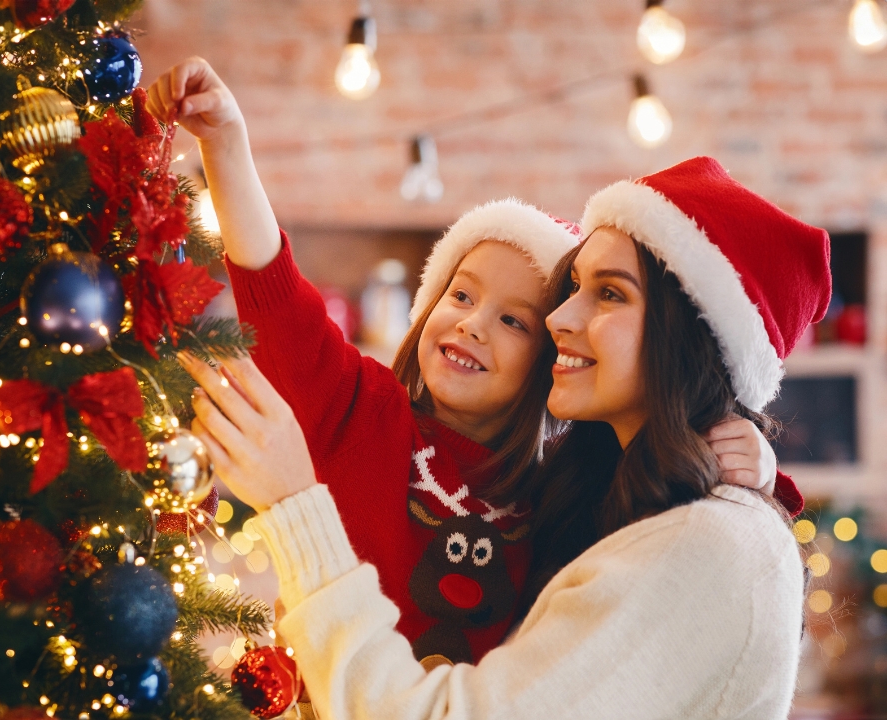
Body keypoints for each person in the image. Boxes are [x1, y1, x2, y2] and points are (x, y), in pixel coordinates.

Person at [148, 59, 799, 665]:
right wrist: (226, 148)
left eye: (514, 321)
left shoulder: (566, 490)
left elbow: (678, 502)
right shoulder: (364, 413)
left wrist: (762, 466)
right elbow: (279, 296)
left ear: (555, 359)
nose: (471, 323)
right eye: (460, 295)